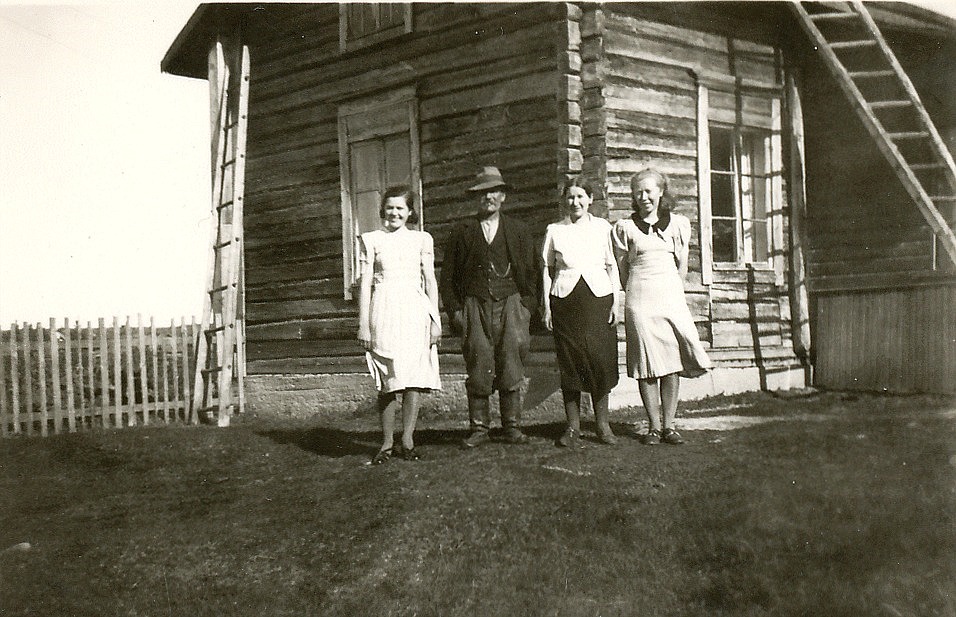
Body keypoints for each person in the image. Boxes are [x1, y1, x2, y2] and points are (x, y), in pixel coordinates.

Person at [440, 166, 537, 448]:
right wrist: (457, 311)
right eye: (483, 193)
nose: (488, 197)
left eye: (494, 191)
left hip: (511, 305)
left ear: (503, 196)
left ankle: (512, 428)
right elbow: (448, 278)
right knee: (479, 362)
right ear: (476, 197)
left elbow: (531, 272)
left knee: (510, 362)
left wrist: (526, 307)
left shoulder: (518, 230)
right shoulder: (462, 232)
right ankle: (479, 429)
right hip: (474, 306)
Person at [612, 169, 711, 445]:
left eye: (648, 191)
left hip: (669, 296)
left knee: (671, 362)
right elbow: (622, 268)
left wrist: (673, 293)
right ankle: (653, 427)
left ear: (661, 192)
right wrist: (635, 289)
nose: (643, 197)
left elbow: (682, 265)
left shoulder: (678, 224)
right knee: (646, 362)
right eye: (638, 192)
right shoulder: (625, 227)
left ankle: (670, 426)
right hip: (640, 298)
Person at [357, 186, 442, 464]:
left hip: (415, 312)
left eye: (400, 208)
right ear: (383, 209)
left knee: (413, 378)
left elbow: (430, 281)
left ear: (409, 212)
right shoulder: (372, 240)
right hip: (383, 311)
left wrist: (435, 321)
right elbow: (366, 284)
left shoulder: (421, 239)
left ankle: (407, 440)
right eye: (390, 207)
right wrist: (364, 325)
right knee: (389, 380)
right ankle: (386, 443)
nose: (394, 213)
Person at [542, 178, 620, 447]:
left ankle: (602, 426)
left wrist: (616, 303)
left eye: (580, 197)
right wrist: (547, 306)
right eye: (570, 197)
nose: (575, 202)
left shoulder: (602, 228)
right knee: (570, 360)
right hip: (565, 300)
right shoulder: (555, 229)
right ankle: (573, 427)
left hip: (598, 298)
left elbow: (612, 266)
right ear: (565, 200)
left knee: (599, 360)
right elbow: (546, 269)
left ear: (590, 200)